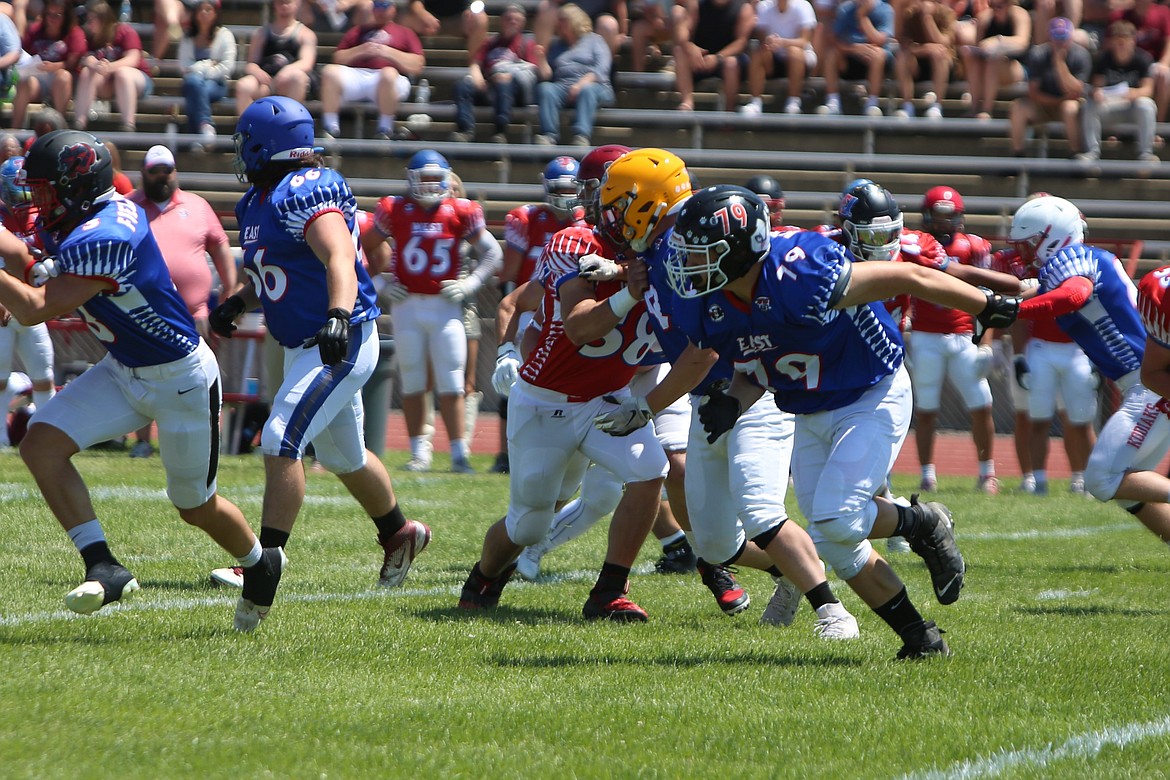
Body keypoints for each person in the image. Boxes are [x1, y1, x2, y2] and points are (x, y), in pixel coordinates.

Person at [667, 185, 1022, 658]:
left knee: (836, 516)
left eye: (703, 253)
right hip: (809, 407)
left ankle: (923, 523)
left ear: (741, 249)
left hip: (870, 391)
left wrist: (983, 305)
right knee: (835, 541)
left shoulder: (799, 271)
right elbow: (756, 364)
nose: (690, 264)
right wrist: (734, 401)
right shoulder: (712, 302)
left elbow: (908, 275)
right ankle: (921, 639)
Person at [0, 129, 272, 630]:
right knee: (40, 445)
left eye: (44, 191)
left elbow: (36, 306)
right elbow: (27, 262)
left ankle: (260, 564)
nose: (36, 203)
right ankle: (103, 565)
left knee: (195, 506)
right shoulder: (80, 216)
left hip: (180, 380)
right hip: (123, 369)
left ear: (76, 185)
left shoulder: (108, 231)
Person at [592, 158, 861, 636]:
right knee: (714, 544)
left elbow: (701, 350)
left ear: (647, 203)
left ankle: (832, 609)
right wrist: (620, 274)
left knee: (760, 510)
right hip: (705, 399)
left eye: (620, 204)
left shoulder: (688, 250)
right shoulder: (663, 250)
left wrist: (645, 409)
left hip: (748, 388)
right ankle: (791, 574)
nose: (611, 216)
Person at [210, 96, 430, 626]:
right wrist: (241, 301)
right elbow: (277, 275)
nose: (242, 154)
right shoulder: (258, 201)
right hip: (304, 341)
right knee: (348, 458)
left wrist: (337, 313)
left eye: (247, 143)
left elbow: (337, 255)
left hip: (340, 338)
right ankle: (400, 532)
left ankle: (262, 564)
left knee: (280, 437)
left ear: (268, 145)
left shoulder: (301, 189)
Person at [458, 173, 669, 622]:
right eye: (664, 208)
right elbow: (579, 327)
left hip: (607, 397)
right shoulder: (573, 243)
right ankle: (483, 577)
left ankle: (608, 591)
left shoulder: (662, 253)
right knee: (530, 524)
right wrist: (629, 288)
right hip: (547, 401)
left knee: (651, 470)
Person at [1011, 195, 1170, 542]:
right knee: (1129, 484)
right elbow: (1032, 289)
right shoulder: (1085, 257)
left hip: (1149, 386)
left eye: (1029, 246)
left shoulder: (1072, 260)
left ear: (1052, 236)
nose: (1024, 256)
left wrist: (1013, 311)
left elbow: (1074, 295)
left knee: (1101, 480)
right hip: (1146, 383)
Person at [362, 150, 502, 473]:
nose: (427, 186)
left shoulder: (460, 210)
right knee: (413, 379)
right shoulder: (395, 209)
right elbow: (361, 249)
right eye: (422, 179)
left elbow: (492, 253)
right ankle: (419, 453)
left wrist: (470, 285)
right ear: (410, 179)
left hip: (445, 305)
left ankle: (458, 454)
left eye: (433, 179)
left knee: (452, 381)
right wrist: (380, 284)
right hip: (407, 304)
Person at [126, 145, 237, 458]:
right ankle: (144, 441)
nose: (162, 176)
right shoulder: (128, 206)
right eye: (154, 171)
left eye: (167, 170)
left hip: (194, 313)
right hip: (143, 311)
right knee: (143, 375)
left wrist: (230, 287)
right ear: (144, 173)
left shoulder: (197, 205)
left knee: (201, 378)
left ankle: (207, 440)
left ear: (175, 172)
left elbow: (220, 245)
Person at [493, 155, 588, 473]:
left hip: (572, 312)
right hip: (531, 310)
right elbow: (510, 273)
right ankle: (508, 453)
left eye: (569, 189)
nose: (563, 196)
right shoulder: (527, 218)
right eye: (558, 188)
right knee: (515, 381)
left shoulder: (587, 223)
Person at [910, 186, 999, 493]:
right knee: (926, 409)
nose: (945, 223)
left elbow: (991, 298)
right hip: (925, 336)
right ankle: (927, 474)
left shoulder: (973, 246)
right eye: (939, 216)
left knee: (982, 404)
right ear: (927, 215)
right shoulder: (916, 244)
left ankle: (987, 473)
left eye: (950, 216)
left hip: (963, 336)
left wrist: (986, 341)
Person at [0, 156, 55, 449]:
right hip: (3, 310)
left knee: (44, 375)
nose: (27, 198)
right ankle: (1, 439)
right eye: (21, 190)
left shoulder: (42, 219)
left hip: (33, 308)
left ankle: (48, 437)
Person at [320, 0, 425, 140]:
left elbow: (418, 64)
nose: (380, 11)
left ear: (393, 9)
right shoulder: (358, 31)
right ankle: (330, 127)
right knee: (329, 71)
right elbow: (338, 58)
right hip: (359, 77)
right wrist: (361, 50)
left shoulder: (405, 32)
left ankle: (385, 129)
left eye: (385, 7)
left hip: (390, 81)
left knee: (388, 74)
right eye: (377, 7)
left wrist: (387, 52)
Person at [450, 3, 539, 143]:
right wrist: (478, 78)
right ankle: (464, 130)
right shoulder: (490, 43)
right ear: (501, 21)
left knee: (504, 83)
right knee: (462, 85)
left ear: (523, 22)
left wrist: (509, 75)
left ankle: (500, 131)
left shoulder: (527, 44)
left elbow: (532, 72)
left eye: (516, 19)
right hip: (491, 86)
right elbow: (475, 63)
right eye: (508, 18)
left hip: (515, 90)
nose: (512, 22)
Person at [1077, 20, 1159, 163]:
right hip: (1110, 105)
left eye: (1125, 39)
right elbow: (1097, 86)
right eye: (1118, 40)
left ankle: (1145, 154)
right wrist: (1097, 93)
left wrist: (1133, 93)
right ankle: (1091, 153)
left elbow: (1148, 89)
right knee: (1088, 105)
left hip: (1131, 106)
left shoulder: (1143, 59)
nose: (1121, 44)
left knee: (1146, 105)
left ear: (1133, 41)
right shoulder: (1104, 59)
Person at [1009, 17, 1092, 156]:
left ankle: (1075, 153)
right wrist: (1058, 100)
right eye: (1056, 36)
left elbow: (1076, 90)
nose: (1060, 41)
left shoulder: (1081, 55)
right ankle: (1017, 153)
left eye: (1063, 36)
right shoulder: (1038, 54)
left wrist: (1060, 64)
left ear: (1071, 36)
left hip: (1067, 106)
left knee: (1070, 108)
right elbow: (1033, 93)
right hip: (1043, 104)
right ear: (1049, 36)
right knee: (1018, 107)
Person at [534, 3, 614, 147]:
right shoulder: (558, 45)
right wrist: (541, 59)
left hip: (595, 85)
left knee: (587, 90)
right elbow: (548, 75)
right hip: (564, 86)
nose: (559, 24)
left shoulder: (595, 40)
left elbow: (601, 70)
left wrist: (580, 84)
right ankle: (549, 135)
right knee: (546, 88)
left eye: (563, 20)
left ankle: (581, 136)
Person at [71, 0, 152, 133]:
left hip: (136, 81)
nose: (88, 23)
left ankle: (128, 124)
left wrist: (110, 67)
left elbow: (133, 59)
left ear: (103, 18)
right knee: (87, 72)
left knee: (122, 73)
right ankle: (80, 122)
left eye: (91, 19)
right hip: (108, 83)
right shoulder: (90, 36)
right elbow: (85, 57)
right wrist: (95, 64)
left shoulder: (124, 31)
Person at [235, 0, 318, 117]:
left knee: (298, 78)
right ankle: (247, 129)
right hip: (267, 82)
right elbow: (251, 64)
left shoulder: (305, 34)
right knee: (244, 85)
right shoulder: (261, 34)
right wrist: (257, 72)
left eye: (288, 2)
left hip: (291, 83)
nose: (284, 5)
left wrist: (287, 71)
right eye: (280, 2)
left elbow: (307, 63)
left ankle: (291, 125)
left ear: (297, 3)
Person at [11, 0, 86, 130]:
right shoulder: (36, 29)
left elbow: (73, 63)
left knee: (63, 77)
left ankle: (59, 126)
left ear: (65, 16)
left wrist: (55, 66)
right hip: (38, 76)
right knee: (23, 82)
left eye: (57, 15)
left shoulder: (74, 32)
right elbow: (24, 52)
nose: (52, 19)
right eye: (49, 14)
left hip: (61, 77)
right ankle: (16, 129)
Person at [672, 0, 756, 113]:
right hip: (700, 58)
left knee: (731, 64)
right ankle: (687, 102)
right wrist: (689, 46)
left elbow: (741, 42)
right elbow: (683, 30)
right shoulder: (696, 5)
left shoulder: (743, 8)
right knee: (679, 51)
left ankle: (729, 111)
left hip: (729, 58)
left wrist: (718, 58)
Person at [817, 0, 897, 116]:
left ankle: (872, 103)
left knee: (878, 55)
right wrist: (853, 49)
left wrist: (862, 16)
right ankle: (833, 102)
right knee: (831, 53)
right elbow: (833, 39)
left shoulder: (885, 10)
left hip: (875, 59)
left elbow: (879, 40)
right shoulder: (846, 9)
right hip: (850, 57)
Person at [739, 0, 817, 116]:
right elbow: (762, 39)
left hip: (801, 58)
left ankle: (793, 102)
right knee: (757, 53)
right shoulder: (764, 7)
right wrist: (769, 41)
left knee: (794, 52)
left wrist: (783, 43)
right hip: (773, 59)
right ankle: (755, 102)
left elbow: (804, 41)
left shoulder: (804, 6)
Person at [179, 0, 237, 147]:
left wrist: (200, 71)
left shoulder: (225, 35)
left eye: (208, 9)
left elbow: (227, 66)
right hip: (191, 82)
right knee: (194, 84)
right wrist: (207, 64)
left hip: (217, 83)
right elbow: (184, 67)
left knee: (196, 88)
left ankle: (196, 139)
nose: (204, 13)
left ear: (215, 13)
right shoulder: (187, 37)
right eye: (201, 10)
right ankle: (205, 125)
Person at [959, 0, 1030, 119]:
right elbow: (979, 47)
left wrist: (998, 40)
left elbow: (1022, 42)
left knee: (994, 59)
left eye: (1000, 5)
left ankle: (987, 109)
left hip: (1015, 67)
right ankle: (974, 106)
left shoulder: (1019, 15)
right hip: (988, 69)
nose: (996, 9)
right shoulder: (984, 18)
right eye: (993, 5)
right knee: (970, 54)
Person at [893, 0, 956, 118]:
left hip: (942, 67)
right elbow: (904, 44)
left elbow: (943, 42)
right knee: (902, 57)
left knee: (940, 54)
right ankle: (907, 106)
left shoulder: (947, 13)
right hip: (918, 65)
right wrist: (925, 48)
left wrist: (927, 17)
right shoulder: (911, 15)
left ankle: (936, 106)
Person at [399, 0, 489, 64]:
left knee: (480, 19)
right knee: (402, 19)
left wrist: (471, 9)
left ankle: (475, 66)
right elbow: (414, 2)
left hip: (458, 20)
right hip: (427, 20)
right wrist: (422, 14)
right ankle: (406, 65)